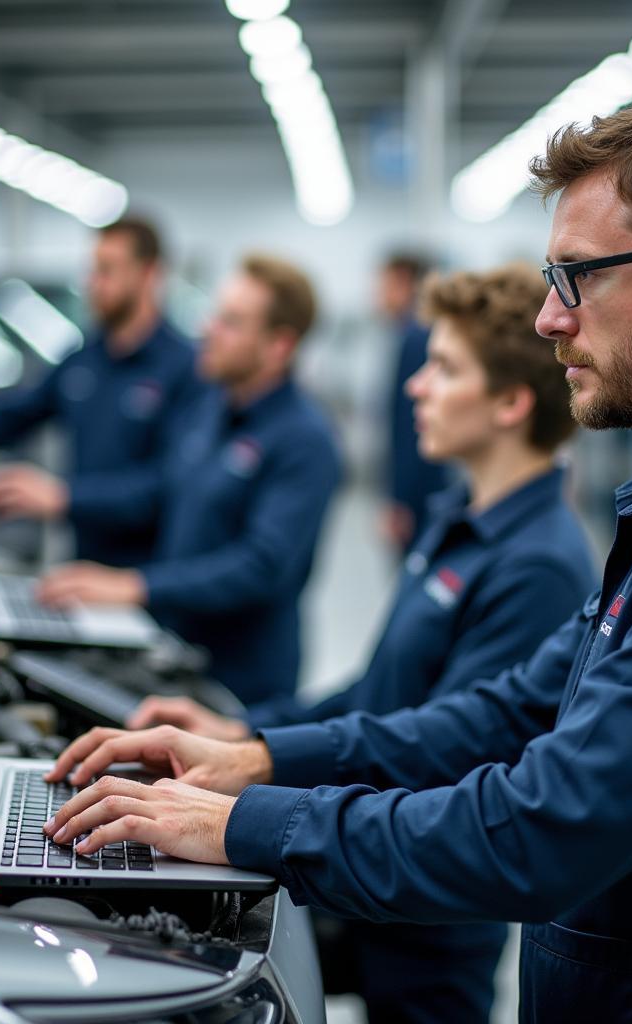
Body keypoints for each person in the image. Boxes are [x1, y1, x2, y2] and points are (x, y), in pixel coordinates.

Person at [42, 89, 632, 1022]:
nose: (552, 319)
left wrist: (243, 827)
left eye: (579, 278)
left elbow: (547, 830)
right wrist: (257, 760)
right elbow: (503, 712)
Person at [126, 263, 596, 1022]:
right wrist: (247, 735)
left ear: (510, 402)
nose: (415, 387)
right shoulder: (458, 519)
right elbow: (380, 689)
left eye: (443, 369)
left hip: (425, 916)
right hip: (370, 864)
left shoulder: (537, 563)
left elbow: (453, 749)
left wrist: (258, 791)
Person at [34, 254, 342, 705]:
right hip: (178, 650)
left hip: (241, 684)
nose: (207, 328)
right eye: (216, 313)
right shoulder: (211, 409)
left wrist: (137, 587)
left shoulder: (305, 440)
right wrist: (69, 501)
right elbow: (162, 489)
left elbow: (260, 567)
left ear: (279, 346)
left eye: (231, 322)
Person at [0, 217, 199, 567]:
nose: (94, 283)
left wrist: (65, 497)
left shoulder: (184, 369)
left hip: (149, 575)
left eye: (107, 270)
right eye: (93, 270)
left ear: (149, 274)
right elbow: (19, 412)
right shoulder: (87, 359)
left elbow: (166, 485)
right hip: (84, 569)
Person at [377, 252, 450, 553]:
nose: (378, 294)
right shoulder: (412, 334)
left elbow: (409, 426)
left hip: (419, 491)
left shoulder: (416, 337)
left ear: (404, 283)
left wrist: (401, 500)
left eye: (384, 285)